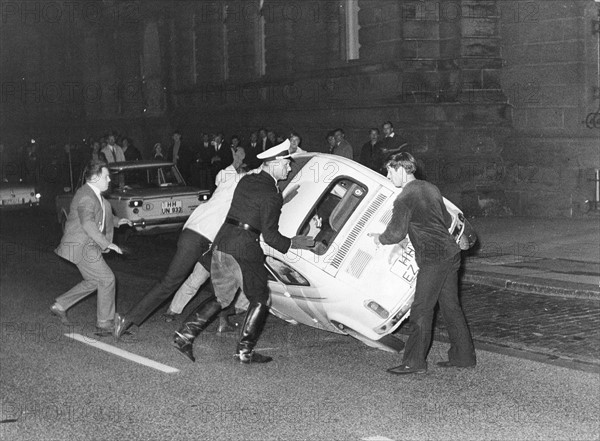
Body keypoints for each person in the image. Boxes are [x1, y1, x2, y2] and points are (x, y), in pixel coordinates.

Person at [173, 140, 315, 364]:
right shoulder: (271, 194)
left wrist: (281, 200)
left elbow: (250, 208)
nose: (289, 169)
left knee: (221, 298)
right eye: (287, 164)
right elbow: (271, 237)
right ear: (274, 164)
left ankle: (183, 336)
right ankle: (244, 351)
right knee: (260, 299)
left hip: (222, 243)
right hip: (243, 249)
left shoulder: (248, 180)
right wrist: (294, 243)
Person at [113, 147, 249, 339]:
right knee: (170, 282)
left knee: (228, 278)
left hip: (205, 241)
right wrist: (236, 164)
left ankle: (223, 320)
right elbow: (228, 175)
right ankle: (127, 319)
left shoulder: (234, 187)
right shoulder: (232, 181)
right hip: (197, 237)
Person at [370, 152, 476, 375]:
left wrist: (379, 238)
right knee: (451, 307)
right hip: (450, 253)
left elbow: (396, 233)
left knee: (421, 310)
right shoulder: (430, 188)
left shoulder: (404, 198)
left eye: (390, 170)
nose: (388, 175)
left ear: (401, 169)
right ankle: (463, 357)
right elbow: (446, 220)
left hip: (433, 258)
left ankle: (414, 362)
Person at [51, 159, 132, 334]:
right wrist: (108, 244)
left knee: (95, 281)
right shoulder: (86, 196)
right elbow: (88, 223)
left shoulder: (93, 193)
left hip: (86, 243)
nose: (109, 180)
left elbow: (100, 213)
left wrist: (118, 221)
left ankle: (60, 305)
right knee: (107, 279)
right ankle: (104, 323)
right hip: (81, 244)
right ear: (95, 177)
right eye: (106, 176)